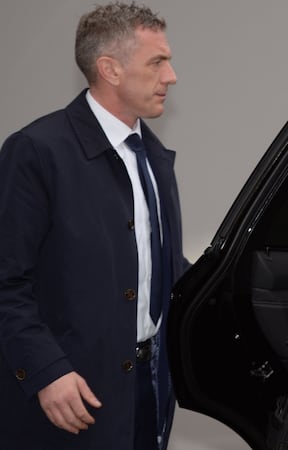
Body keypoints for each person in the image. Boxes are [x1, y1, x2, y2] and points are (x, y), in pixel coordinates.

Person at [0, 3, 188, 449]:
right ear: (111, 69)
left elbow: (154, 263)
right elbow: (7, 281)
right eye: (157, 62)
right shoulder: (36, 152)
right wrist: (48, 372)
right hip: (66, 397)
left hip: (148, 389)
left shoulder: (154, 158)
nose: (171, 76)